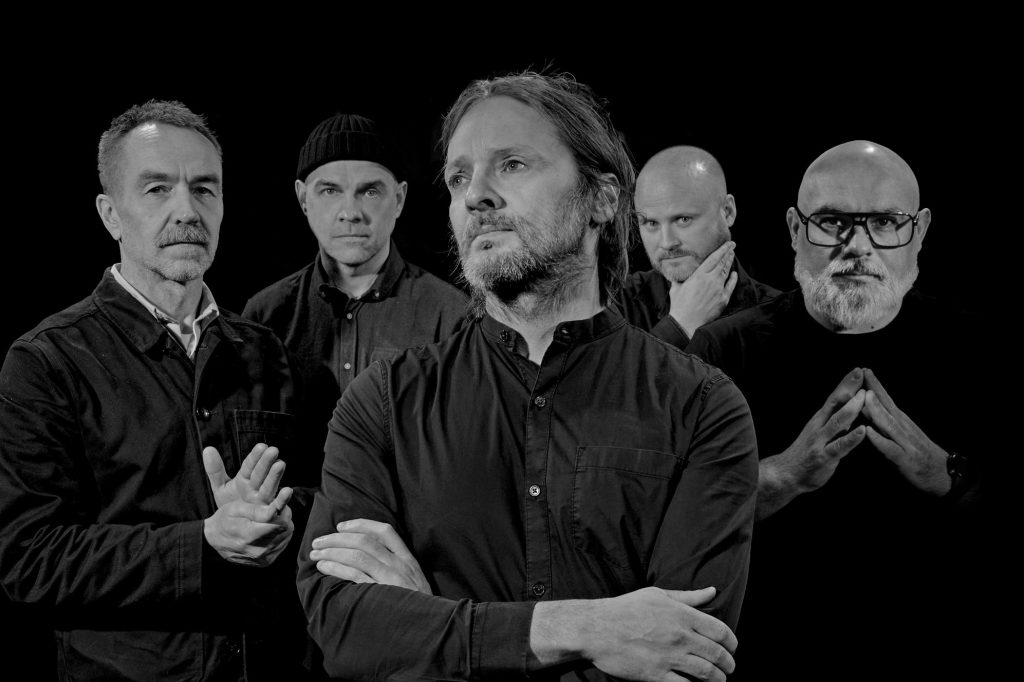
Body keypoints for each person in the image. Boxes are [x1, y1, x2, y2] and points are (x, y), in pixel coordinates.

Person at [297, 72, 759, 682]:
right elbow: (347, 630)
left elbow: (687, 654)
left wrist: (430, 621)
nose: (475, 197)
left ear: (601, 199)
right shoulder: (380, 403)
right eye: (459, 177)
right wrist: (584, 628)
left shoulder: (703, 407)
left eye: (511, 165)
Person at [0, 100, 311, 681]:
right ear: (110, 215)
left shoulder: (266, 352)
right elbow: (29, 558)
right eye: (157, 189)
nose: (187, 210)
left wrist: (284, 518)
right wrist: (203, 544)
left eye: (204, 189)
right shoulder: (46, 362)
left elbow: (315, 497)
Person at [687, 140, 992, 681]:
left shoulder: (977, 351)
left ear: (919, 231)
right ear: (794, 229)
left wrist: (948, 477)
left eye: (885, 222)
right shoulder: (722, 351)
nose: (858, 246)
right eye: (832, 222)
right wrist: (782, 476)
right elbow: (677, 528)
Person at [243, 113, 467, 476]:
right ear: (303, 198)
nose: (350, 212)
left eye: (370, 191)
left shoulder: (450, 315)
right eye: (330, 191)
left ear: (399, 199)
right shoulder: (265, 316)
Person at [613, 146, 779, 348]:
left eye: (683, 219)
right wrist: (679, 326)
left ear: (727, 212)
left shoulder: (779, 318)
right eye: (651, 223)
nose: (667, 243)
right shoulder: (615, 303)